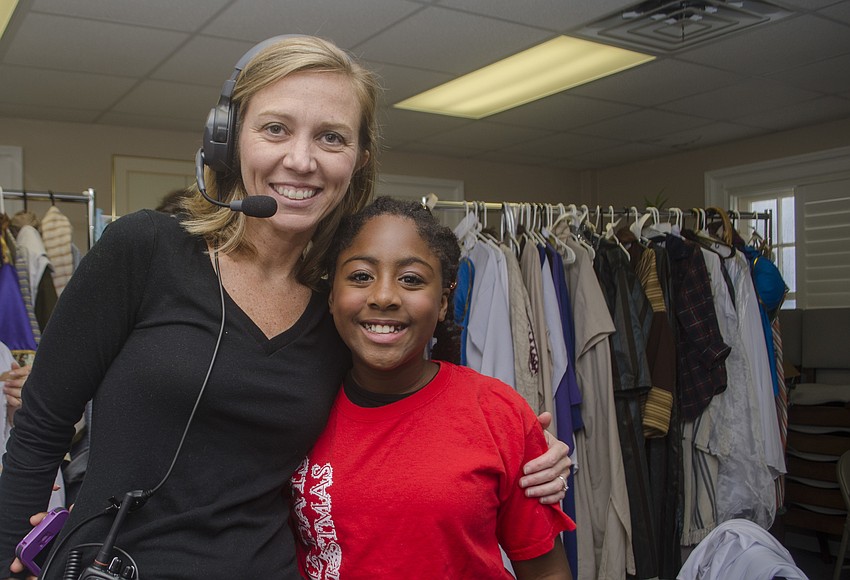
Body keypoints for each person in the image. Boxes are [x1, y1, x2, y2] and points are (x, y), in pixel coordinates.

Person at [0, 36, 570, 579]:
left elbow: (409, 418)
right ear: (228, 141)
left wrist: (528, 455)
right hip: (109, 565)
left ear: (358, 159)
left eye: (331, 137)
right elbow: (39, 432)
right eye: (275, 129)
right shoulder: (145, 249)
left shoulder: (343, 309)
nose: (301, 160)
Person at [291, 196, 575, 579]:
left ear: (442, 303)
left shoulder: (495, 411)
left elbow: (545, 572)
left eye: (411, 279)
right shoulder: (296, 410)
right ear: (331, 295)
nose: (384, 296)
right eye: (361, 276)